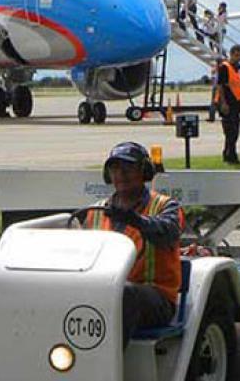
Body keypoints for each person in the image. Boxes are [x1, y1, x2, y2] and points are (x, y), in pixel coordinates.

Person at [82, 142, 183, 346]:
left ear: (144, 172)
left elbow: (168, 232)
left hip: (156, 298)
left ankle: (106, 364)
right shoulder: (96, 211)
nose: (120, 174)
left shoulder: (165, 206)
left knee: (124, 294)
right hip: (104, 292)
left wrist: (135, 220)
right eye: (114, 168)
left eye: (127, 168)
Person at [216, 45, 240, 163]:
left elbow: (236, 86)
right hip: (227, 103)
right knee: (230, 131)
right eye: (237, 55)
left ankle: (228, 153)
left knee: (234, 131)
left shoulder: (236, 69)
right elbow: (220, 85)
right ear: (232, 54)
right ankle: (231, 155)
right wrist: (223, 103)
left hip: (236, 104)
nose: (239, 58)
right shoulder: (225, 67)